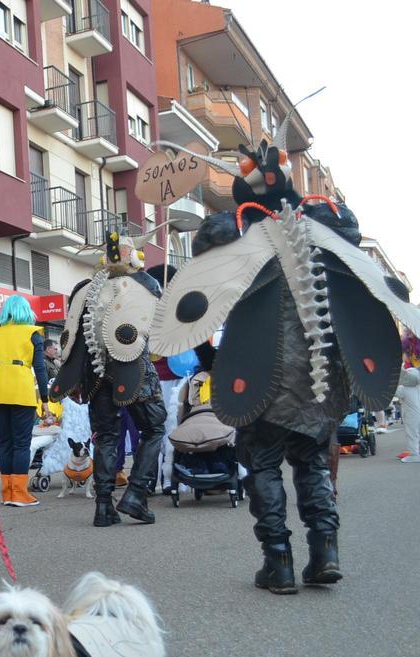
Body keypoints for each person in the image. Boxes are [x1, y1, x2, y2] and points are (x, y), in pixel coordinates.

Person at [151, 131, 420, 594]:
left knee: (263, 466)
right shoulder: (320, 236)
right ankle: (324, 552)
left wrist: (212, 360)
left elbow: (202, 310)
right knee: (312, 464)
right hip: (317, 377)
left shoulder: (235, 241)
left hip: (257, 374)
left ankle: (278, 563)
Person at [51, 229, 167, 528]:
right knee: (153, 428)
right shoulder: (145, 283)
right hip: (132, 365)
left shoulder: (85, 290)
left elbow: (74, 338)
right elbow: (160, 328)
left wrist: (73, 378)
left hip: (94, 372)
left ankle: (104, 506)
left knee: (106, 436)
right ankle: (136, 495)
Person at [0, 295, 49, 507]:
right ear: (26, 311)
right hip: (21, 391)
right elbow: (40, 369)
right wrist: (46, 400)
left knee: (4, 443)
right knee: (22, 443)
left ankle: (7, 492)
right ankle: (20, 493)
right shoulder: (32, 334)